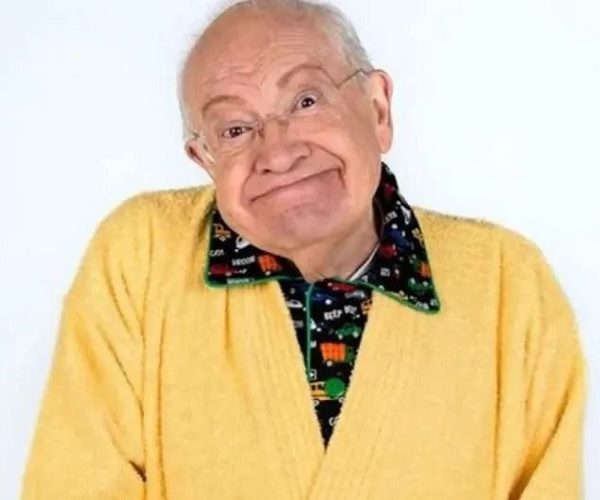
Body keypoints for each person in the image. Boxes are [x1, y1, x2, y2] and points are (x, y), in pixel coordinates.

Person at [22, 1, 586, 498]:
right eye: (234, 130)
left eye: (307, 101)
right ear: (203, 160)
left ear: (378, 109)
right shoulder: (142, 255)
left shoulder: (509, 282)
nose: (278, 152)